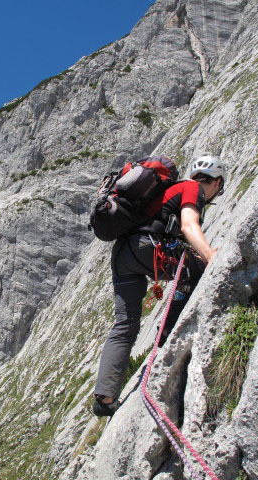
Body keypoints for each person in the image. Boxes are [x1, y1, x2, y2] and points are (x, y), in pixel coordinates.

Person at [93, 155, 227, 417]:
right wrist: (210, 257)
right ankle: (166, 335)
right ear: (218, 183)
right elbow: (189, 224)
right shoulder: (192, 188)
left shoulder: (164, 192)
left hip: (123, 255)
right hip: (147, 249)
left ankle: (105, 398)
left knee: (125, 324)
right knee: (195, 272)